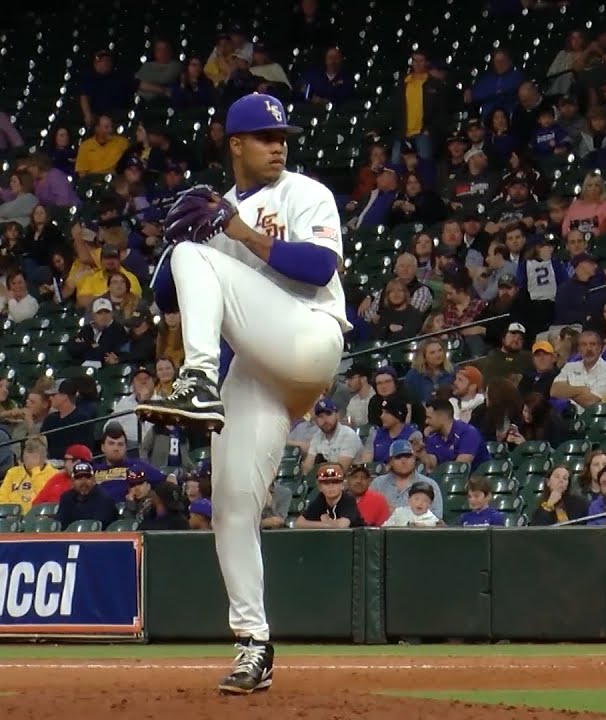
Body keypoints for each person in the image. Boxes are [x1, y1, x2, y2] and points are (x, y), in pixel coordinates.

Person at [134, 93, 349, 694]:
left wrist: (235, 232)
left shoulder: (304, 193)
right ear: (235, 144)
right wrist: (174, 244)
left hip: (309, 336)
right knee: (232, 507)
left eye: (282, 137)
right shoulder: (217, 215)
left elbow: (319, 268)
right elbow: (166, 297)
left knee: (195, 254)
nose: (278, 146)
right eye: (264, 137)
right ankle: (254, 643)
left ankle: (198, 378)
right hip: (257, 372)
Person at [294, 464, 364, 528]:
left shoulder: (348, 500)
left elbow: (342, 525)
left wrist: (324, 523)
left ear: (343, 485)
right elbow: (298, 523)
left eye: (335, 482)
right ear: (319, 486)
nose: (331, 486)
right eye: (326, 483)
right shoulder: (321, 499)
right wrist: (327, 524)